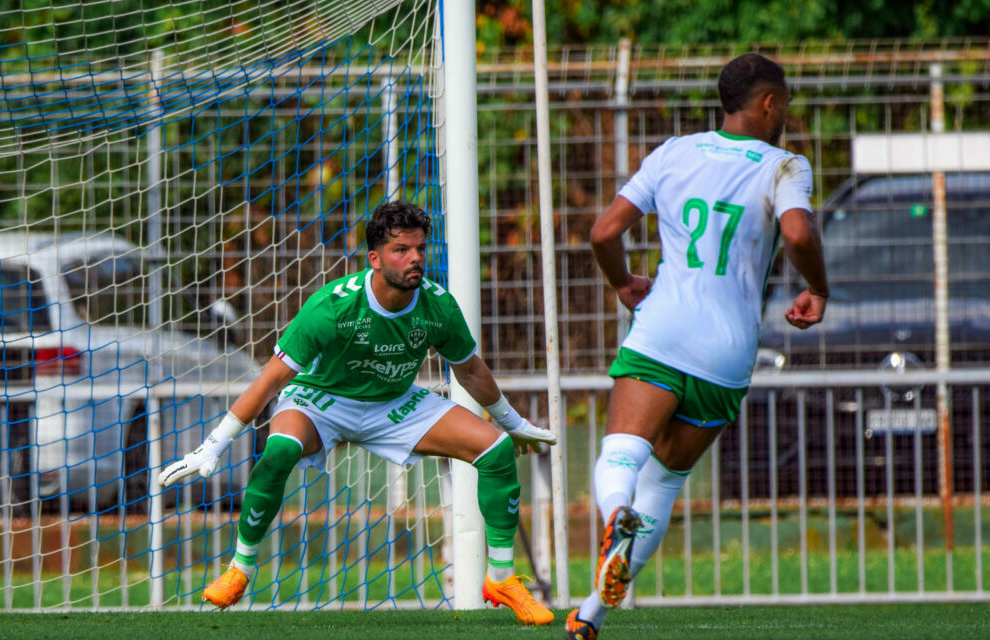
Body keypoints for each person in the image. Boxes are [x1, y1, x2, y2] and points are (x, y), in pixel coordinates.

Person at [159, 201, 557, 625]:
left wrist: (514, 425)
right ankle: (240, 568)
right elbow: (271, 380)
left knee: (495, 450)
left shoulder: (437, 305)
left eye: (420, 249)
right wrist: (213, 445)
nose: (415, 258)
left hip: (393, 402)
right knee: (279, 451)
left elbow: (471, 370)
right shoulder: (333, 306)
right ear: (375, 258)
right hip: (322, 399)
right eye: (401, 250)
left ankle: (501, 579)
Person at [565, 53, 829, 640]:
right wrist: (818, 288)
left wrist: (622, 283)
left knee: (624, 453)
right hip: (727, 352)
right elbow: (796, 232)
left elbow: (604, 232)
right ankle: (590, 615)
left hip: (662, 330)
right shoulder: (785, 166)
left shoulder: (673, 153)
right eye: (784, 104)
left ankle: (615, 516)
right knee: (664, 481)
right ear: (768, 103)